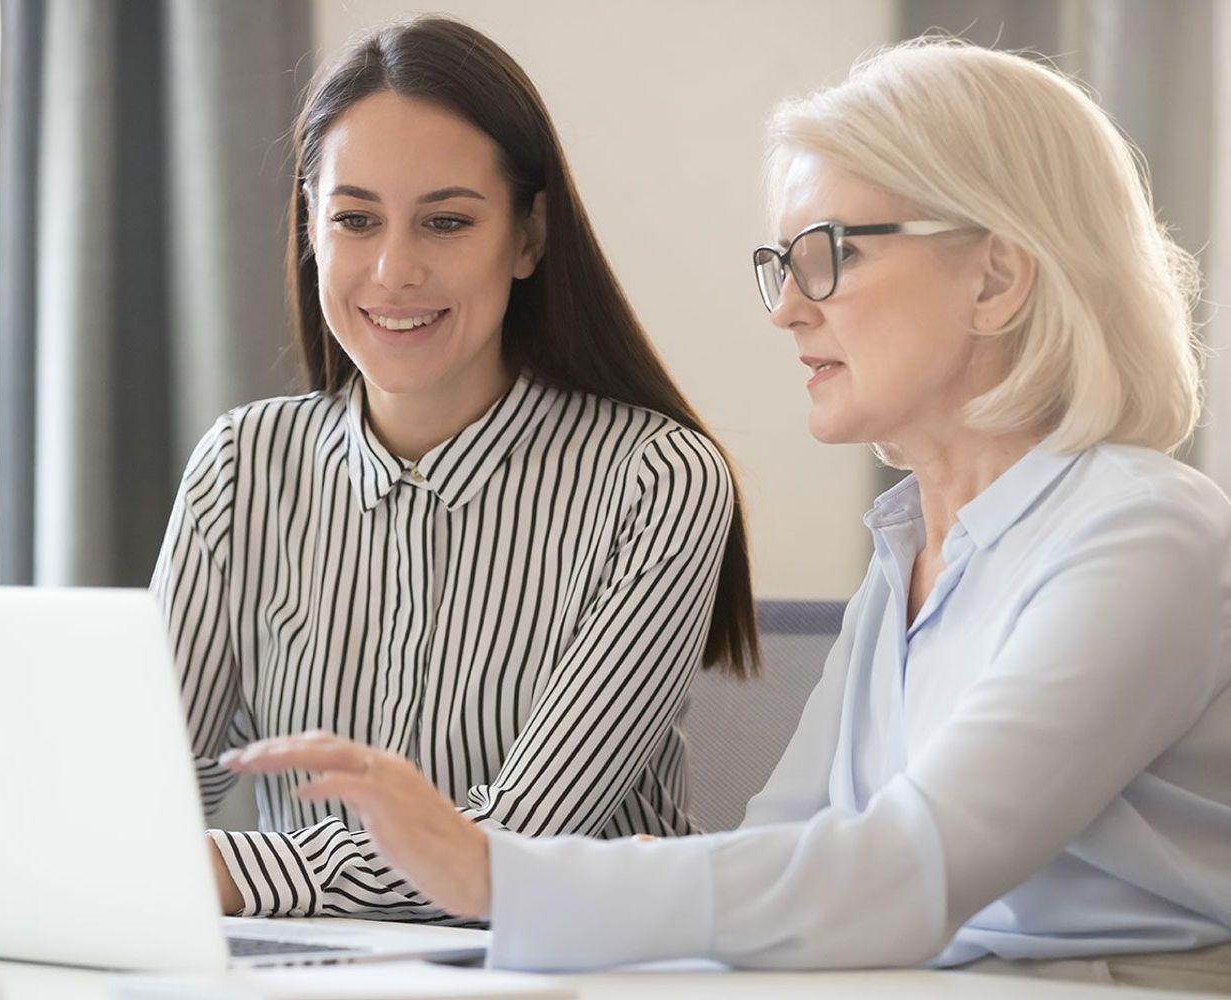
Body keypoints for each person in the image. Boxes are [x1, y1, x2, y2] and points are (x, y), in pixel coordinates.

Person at [226, 38, 1231, 992]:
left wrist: (492, 870)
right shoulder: (911, 558)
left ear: (997, 278)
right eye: (782, 263)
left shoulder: (1144, 537)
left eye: (830, 254)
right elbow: (785, 854)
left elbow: (902, 875)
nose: (788, 306)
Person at [150, 15, 758, 922]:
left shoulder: (656, 480)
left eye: (446, 222)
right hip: (315, 975)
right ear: (311, 229)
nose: (394, 270)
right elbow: (139, 799)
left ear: (528, 237)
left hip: (580, 967)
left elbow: (509, 855)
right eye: (355, 220)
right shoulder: (242, 467)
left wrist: (233, 872)